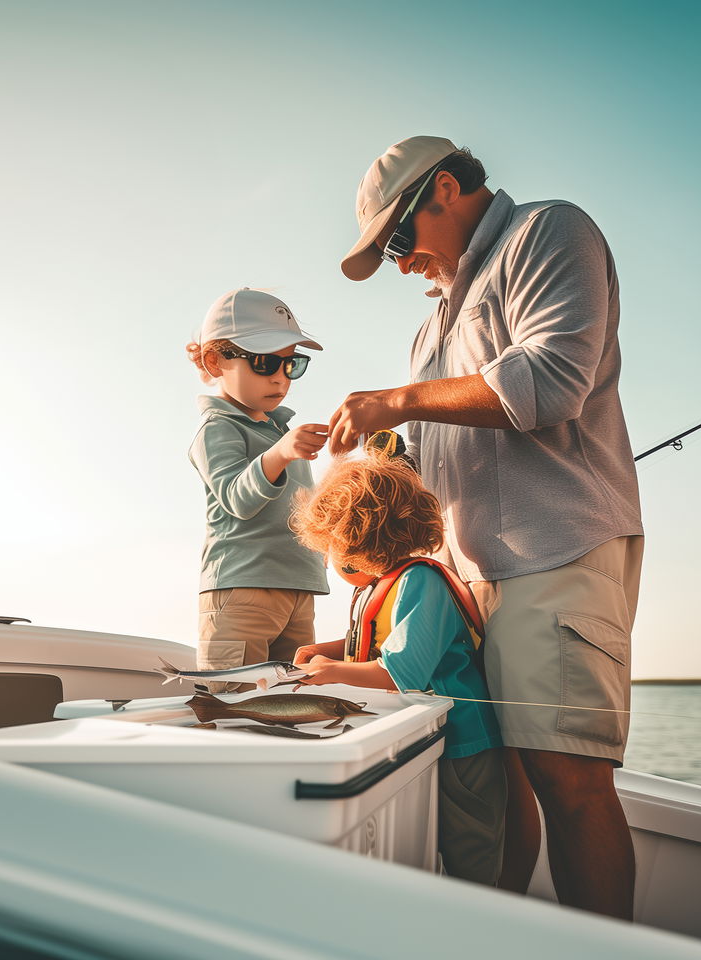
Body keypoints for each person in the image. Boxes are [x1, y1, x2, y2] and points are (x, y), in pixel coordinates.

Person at [330, 136, 644, 920]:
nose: (399, 264)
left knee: (569, 783)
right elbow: (441, 444)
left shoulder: (548, 233)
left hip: (553, 557)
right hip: (469, 586)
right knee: (503, 783)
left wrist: (398, 401)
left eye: (397, 241)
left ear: (444, 189)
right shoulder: (430, 325)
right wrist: (393, 453)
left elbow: (550, 381)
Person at [290, 449, 506, 886]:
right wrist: (323, 651)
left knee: (470, 859)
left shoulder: (420, 581)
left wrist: (330, 671)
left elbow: (398, 672)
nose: (328, 558)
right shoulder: (383, 585)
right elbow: (369, 646)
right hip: (428, 740)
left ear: (356, 541)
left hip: (464, 748)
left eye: (329, 546)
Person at [187, 287, 330, 689]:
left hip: (298, 590)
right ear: (215, 361)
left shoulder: (279, 430)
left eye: (291, 365)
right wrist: (282, 452)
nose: (281, 379)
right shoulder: (218, 427)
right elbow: (236, 497)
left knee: (291, 703)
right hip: (242, 589)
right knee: (235, 709)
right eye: (265, 363)